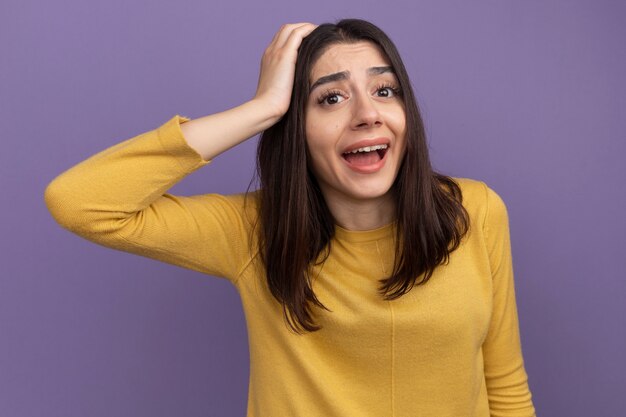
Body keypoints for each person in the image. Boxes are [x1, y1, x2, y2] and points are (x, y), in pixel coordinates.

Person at [45, 18, 536, 417]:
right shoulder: (252, 232)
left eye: (385, 91)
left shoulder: (474, 211)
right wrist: (262, 109)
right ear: (293, 128)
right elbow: (79, 202)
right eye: (331, 98)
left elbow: (506, 386)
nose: (368, 114)